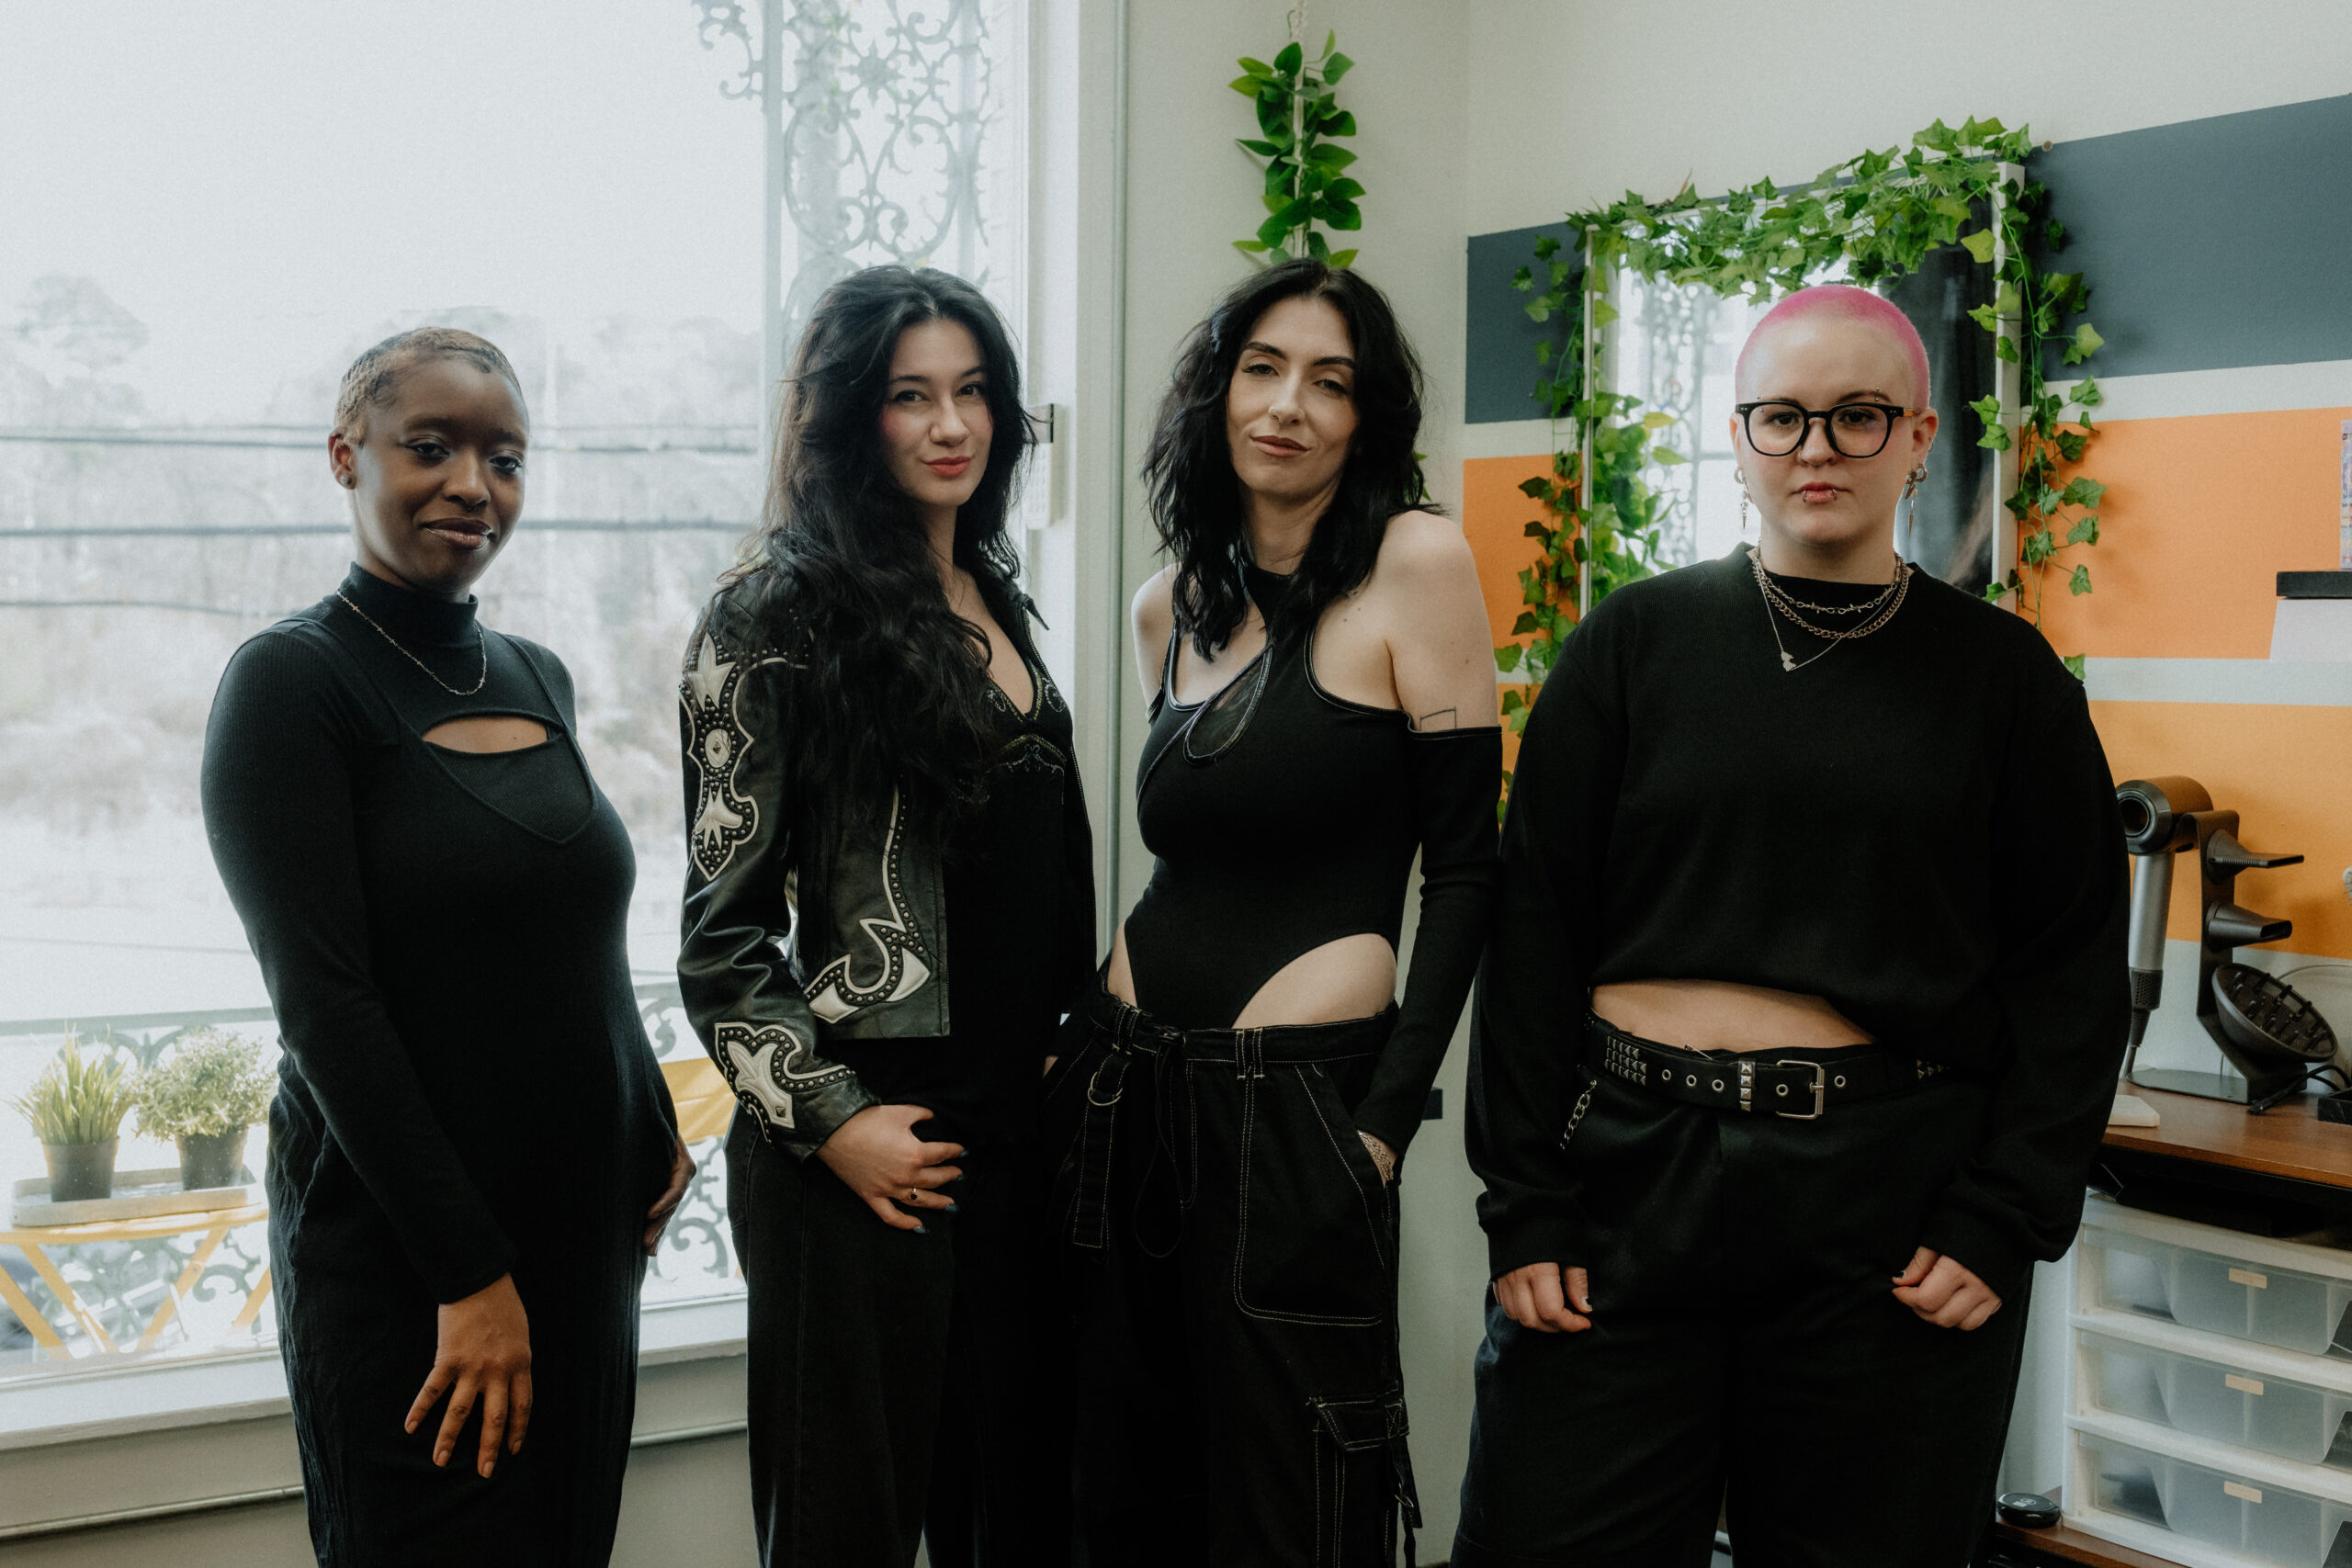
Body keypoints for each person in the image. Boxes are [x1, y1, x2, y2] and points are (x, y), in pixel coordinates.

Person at [1453, 284, 2129, 1567]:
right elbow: (1533, 928)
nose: (1817, 448)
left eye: (1859, 416)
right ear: (1741, 437)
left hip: (1886, 1206)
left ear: (1922, 437)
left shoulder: (2006, 682)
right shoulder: (1631, 646)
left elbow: (2073, 970)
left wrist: (2006, 1211)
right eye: (1783, 418)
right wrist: (1523, 1203)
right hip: (1626, 1187)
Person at [202, 326, 694, 1567]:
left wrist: (650, 1127)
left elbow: (577, 932)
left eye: (505, 458)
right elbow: (326, 1006)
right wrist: (468, 1276)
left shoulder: (538, 675)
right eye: (432, 447)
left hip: (580, 1247)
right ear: (345, 456)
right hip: (415, 1261)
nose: (474, 484)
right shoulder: (291, 685)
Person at [1055, 257, 1500, 1566]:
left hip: (1294, 1109)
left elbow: (1470, 870)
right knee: (1124, 1499)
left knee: (1292, 1509)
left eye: (1330, 380)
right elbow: (1186, 861)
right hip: (1123, 1095)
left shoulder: (1415, 562)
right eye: (1262, 368)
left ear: (1366, 419)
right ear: (1218, 390)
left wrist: (1380, 1130)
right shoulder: (1169, 605)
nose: (1288, 404)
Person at [675, 266, 1097, 1568]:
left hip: (1013, 1147)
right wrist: (836, 1126)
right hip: (866, 1145)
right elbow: (723, 941)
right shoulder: (769, 614)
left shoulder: (994, 591)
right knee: (843, 1532)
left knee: (1016, 1514)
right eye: (912, 396)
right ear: (852, 417)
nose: (951, 424)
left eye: (974, 392)